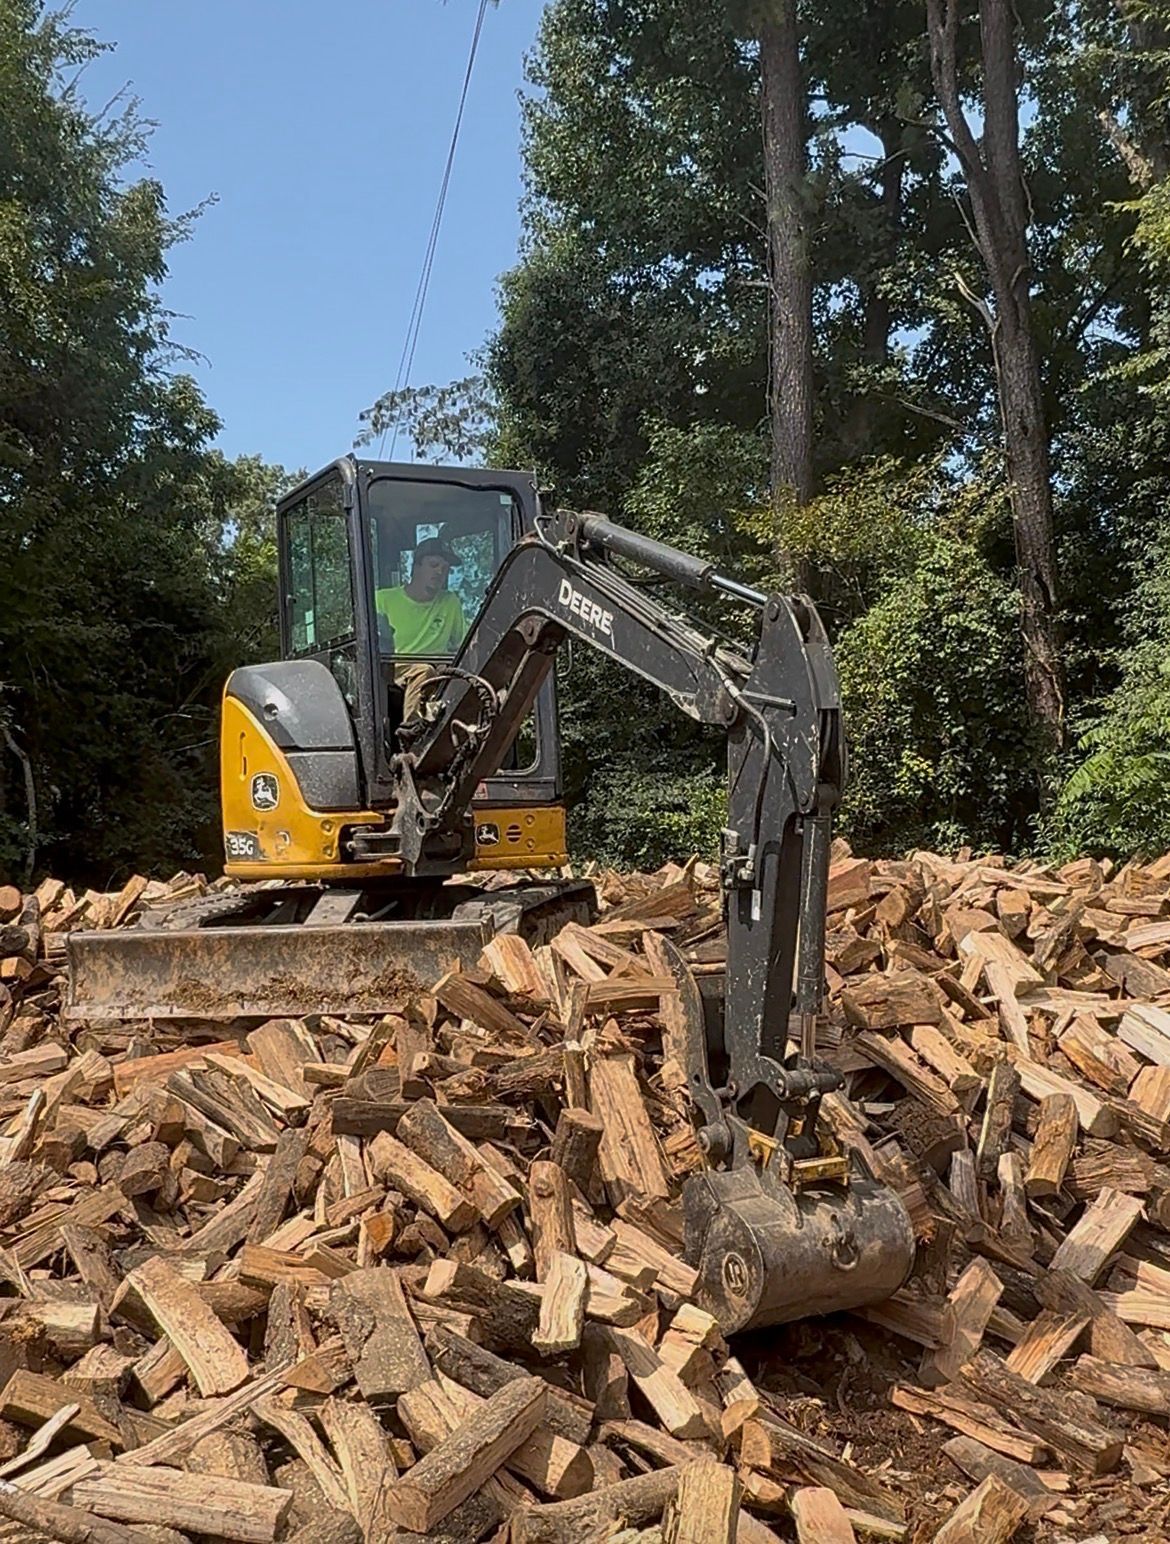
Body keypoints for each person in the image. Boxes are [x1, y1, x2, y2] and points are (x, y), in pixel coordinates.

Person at [375, 536, 466, 720]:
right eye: (434, 565)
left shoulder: (450, 603)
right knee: (424, 670)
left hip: (436, 673)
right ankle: (411, 734)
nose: (440, 571)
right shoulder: (382, 600)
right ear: (416, 567)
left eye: (446, 569)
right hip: (396, 670)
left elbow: (463, 643)